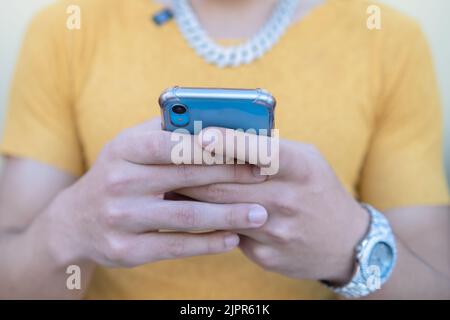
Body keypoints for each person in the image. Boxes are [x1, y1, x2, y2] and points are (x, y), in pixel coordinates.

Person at [0, 0, 449, 299]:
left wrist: (350, 246)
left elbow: (434, 281)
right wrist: (71, 228)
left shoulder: (389, 40)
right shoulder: (68, 27)